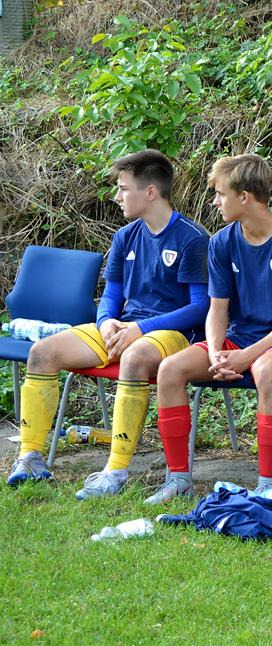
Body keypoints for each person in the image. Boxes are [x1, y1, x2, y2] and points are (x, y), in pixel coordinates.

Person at [7, 149, 209, 498]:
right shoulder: (125, 236)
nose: (117, 196)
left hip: (175, 335)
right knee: (42, 352)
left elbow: (200, 307)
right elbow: (111, 296)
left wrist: (141, 329)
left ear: (150, 192)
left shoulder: (192, 238)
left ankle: (115, 472)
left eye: (123, 188)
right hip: (124, 328)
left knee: (133, 357)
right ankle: (30, 459)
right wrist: (105, 323)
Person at [146, 154, 272, 503]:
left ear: (244, 197)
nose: (214, 201)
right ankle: (178, 479)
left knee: (265, 369)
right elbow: (217, 309)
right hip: (237, 340)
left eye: (220, 193)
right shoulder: (221, 242)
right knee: (170, 369)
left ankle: (269, 485)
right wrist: (216, 353)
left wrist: (246, 357)